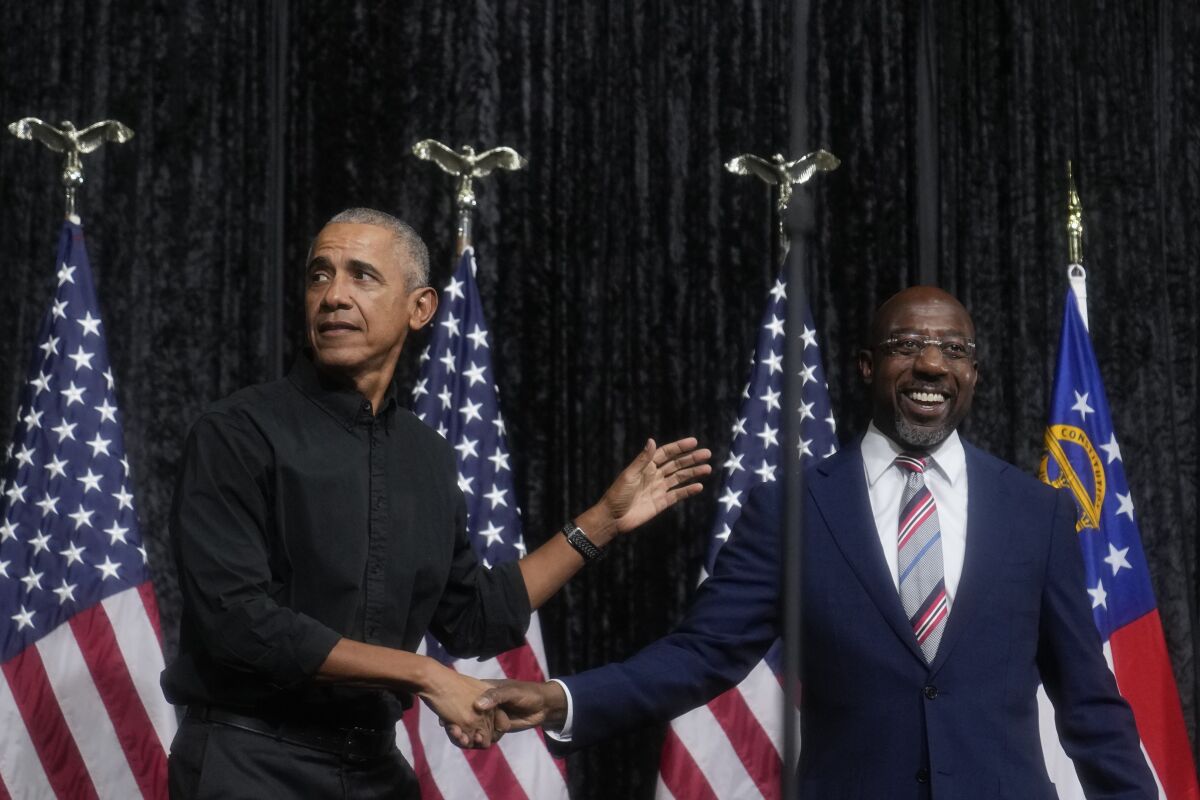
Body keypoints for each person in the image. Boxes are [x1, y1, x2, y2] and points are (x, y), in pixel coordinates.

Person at [474, 286, 1157, 798]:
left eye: (954, 349)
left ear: (973, 373)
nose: (930, 363)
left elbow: (1088, 697)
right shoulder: (791, 509)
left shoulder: (1035, 511)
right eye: (905, 346)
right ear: (865, 366)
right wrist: (566, 698)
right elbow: (702, 655)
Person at [160, 207, 711, 798]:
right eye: (320, 275)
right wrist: (424, 674)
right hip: (250, 764)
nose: (334, 296)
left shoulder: (427, 456)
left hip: (375, 769)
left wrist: (602, 522)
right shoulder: (237, 432)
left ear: (420, 308)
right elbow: (239, 625)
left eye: (362, 275)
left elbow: (475, 616)